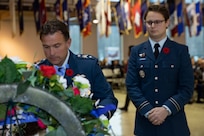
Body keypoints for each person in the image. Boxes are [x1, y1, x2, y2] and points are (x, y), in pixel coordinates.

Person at [125, 5, 194, 136]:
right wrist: (148, 110)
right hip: (145, 124)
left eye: (158, 22)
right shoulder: (136, 51)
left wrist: (166, 109)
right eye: (149, 22)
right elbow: (132, 85)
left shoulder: (180, 51)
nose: (153, 25)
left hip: (174, 124)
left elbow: (186, 87)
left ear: (167, 22)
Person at [37, 19, 118, 119]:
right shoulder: (38, 71)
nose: (52, 52)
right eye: (46, 47)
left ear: (68, 43)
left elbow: (108, 98)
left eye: (57, 46)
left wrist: (98, 117)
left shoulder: (88, 66)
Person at [119, 45, 133, 111]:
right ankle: (126, 107)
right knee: (129, 93)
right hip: (131, 78)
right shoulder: (132, 58)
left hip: (132, 79)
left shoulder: (132, 59)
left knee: (131, 93)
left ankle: (126, 107)